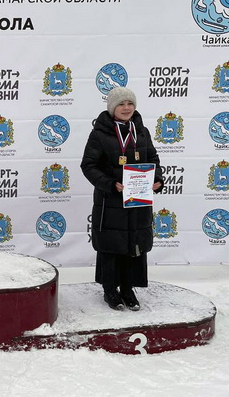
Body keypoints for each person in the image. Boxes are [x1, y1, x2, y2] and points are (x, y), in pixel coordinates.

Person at [80, 87, 163, 311]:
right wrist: (110, 184)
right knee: (111, 246)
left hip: (137, 201)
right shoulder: (99, 134)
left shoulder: (141, 131)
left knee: (133, 246)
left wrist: (157, 179)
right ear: (112, 108)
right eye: (121, 104)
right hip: (111, 202)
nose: (126, 108)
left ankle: (127, 289)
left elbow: (153, 158)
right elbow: (88, 165)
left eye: (130, 103)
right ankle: (110, 290)